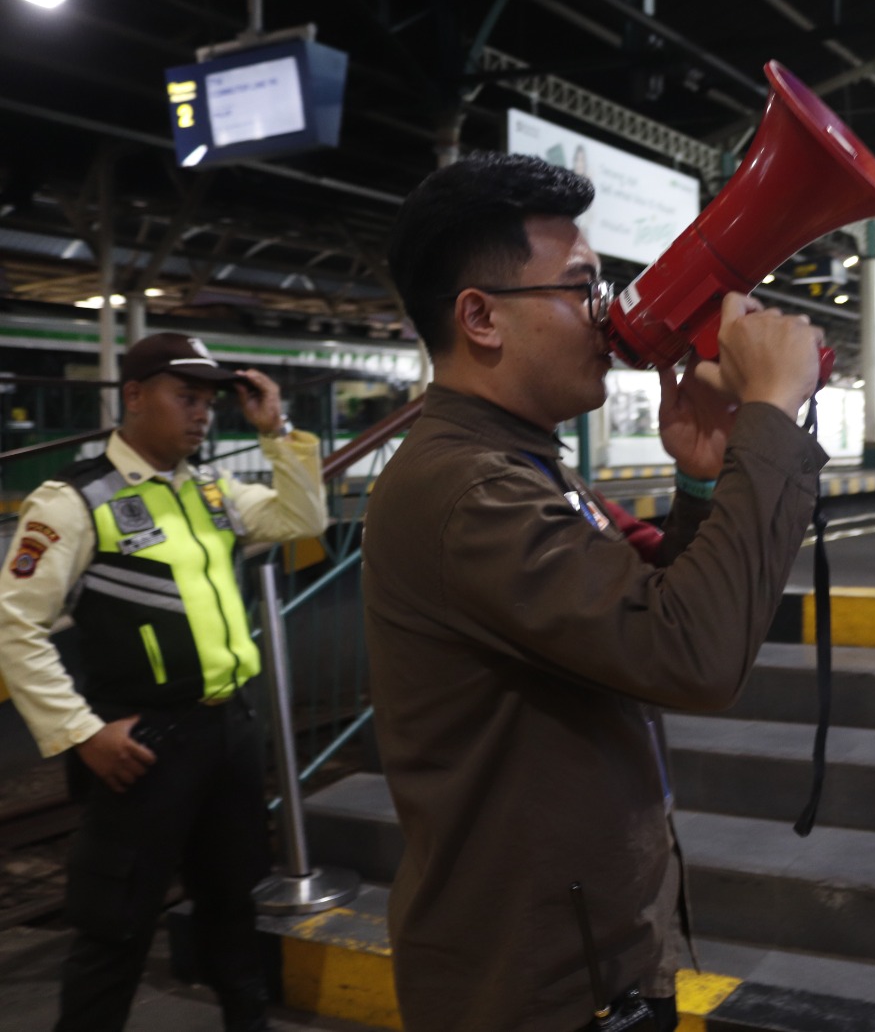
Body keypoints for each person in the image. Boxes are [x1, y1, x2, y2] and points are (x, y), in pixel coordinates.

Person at [364, 152, 827, 1032]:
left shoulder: (518, 467)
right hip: (534, 987)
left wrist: (700, 487)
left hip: (585, 955)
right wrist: (770, 410)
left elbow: (637, 623)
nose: (607, 317)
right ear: (481, 318)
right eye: (581, 289)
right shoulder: (474, 493)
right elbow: (690, 655)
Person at [0, 333, 327, 1031]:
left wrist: (279, 432)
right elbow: (13, 628)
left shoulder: (211, 491)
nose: (203, 413)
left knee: (233, 902)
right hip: (143, 746)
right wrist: (81, 734)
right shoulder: (73, 502)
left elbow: (304, 519)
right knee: (115, 924)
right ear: (135, 397)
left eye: (210, 400)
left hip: (229, 735)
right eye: (187, 397)